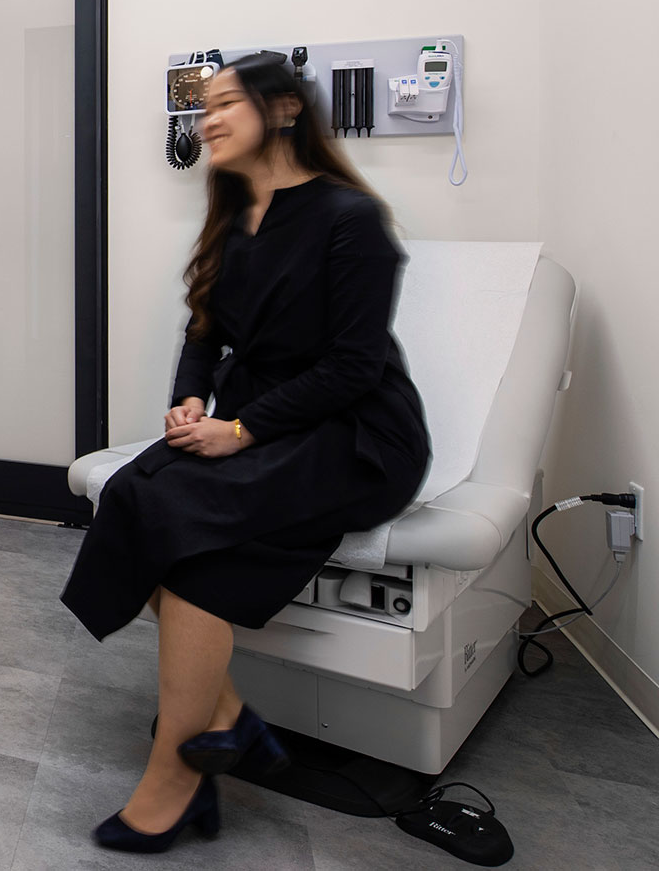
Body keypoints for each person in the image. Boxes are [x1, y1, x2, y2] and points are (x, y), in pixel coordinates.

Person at [60, 52, 430, 853]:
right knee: (131, 491)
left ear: (285, 110)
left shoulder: (348, 218)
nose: (208, 119)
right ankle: (228, 720)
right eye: (204, 107)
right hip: (267, 419)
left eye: (227, 103)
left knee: (190, 537)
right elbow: (203, 331)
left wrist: (243, 431)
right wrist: (193, 399)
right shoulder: (233, 217)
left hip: (357, 432)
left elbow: (354, 366)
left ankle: (177, 775)